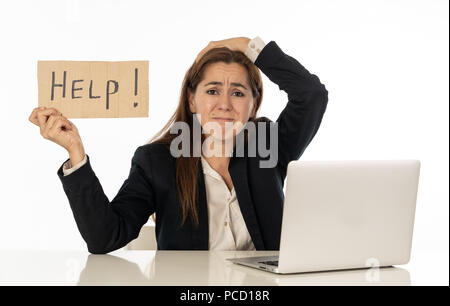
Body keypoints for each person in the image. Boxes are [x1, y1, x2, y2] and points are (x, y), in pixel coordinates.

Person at [29, 36, 328, 253]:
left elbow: (311, 94)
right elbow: (106, 237)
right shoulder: (157, 160)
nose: (224, 104)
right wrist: (75, 153)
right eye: (212, 90)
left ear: (254, 104)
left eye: (238, 93)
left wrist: (251, 45)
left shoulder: (268, 145)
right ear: (192, 100)